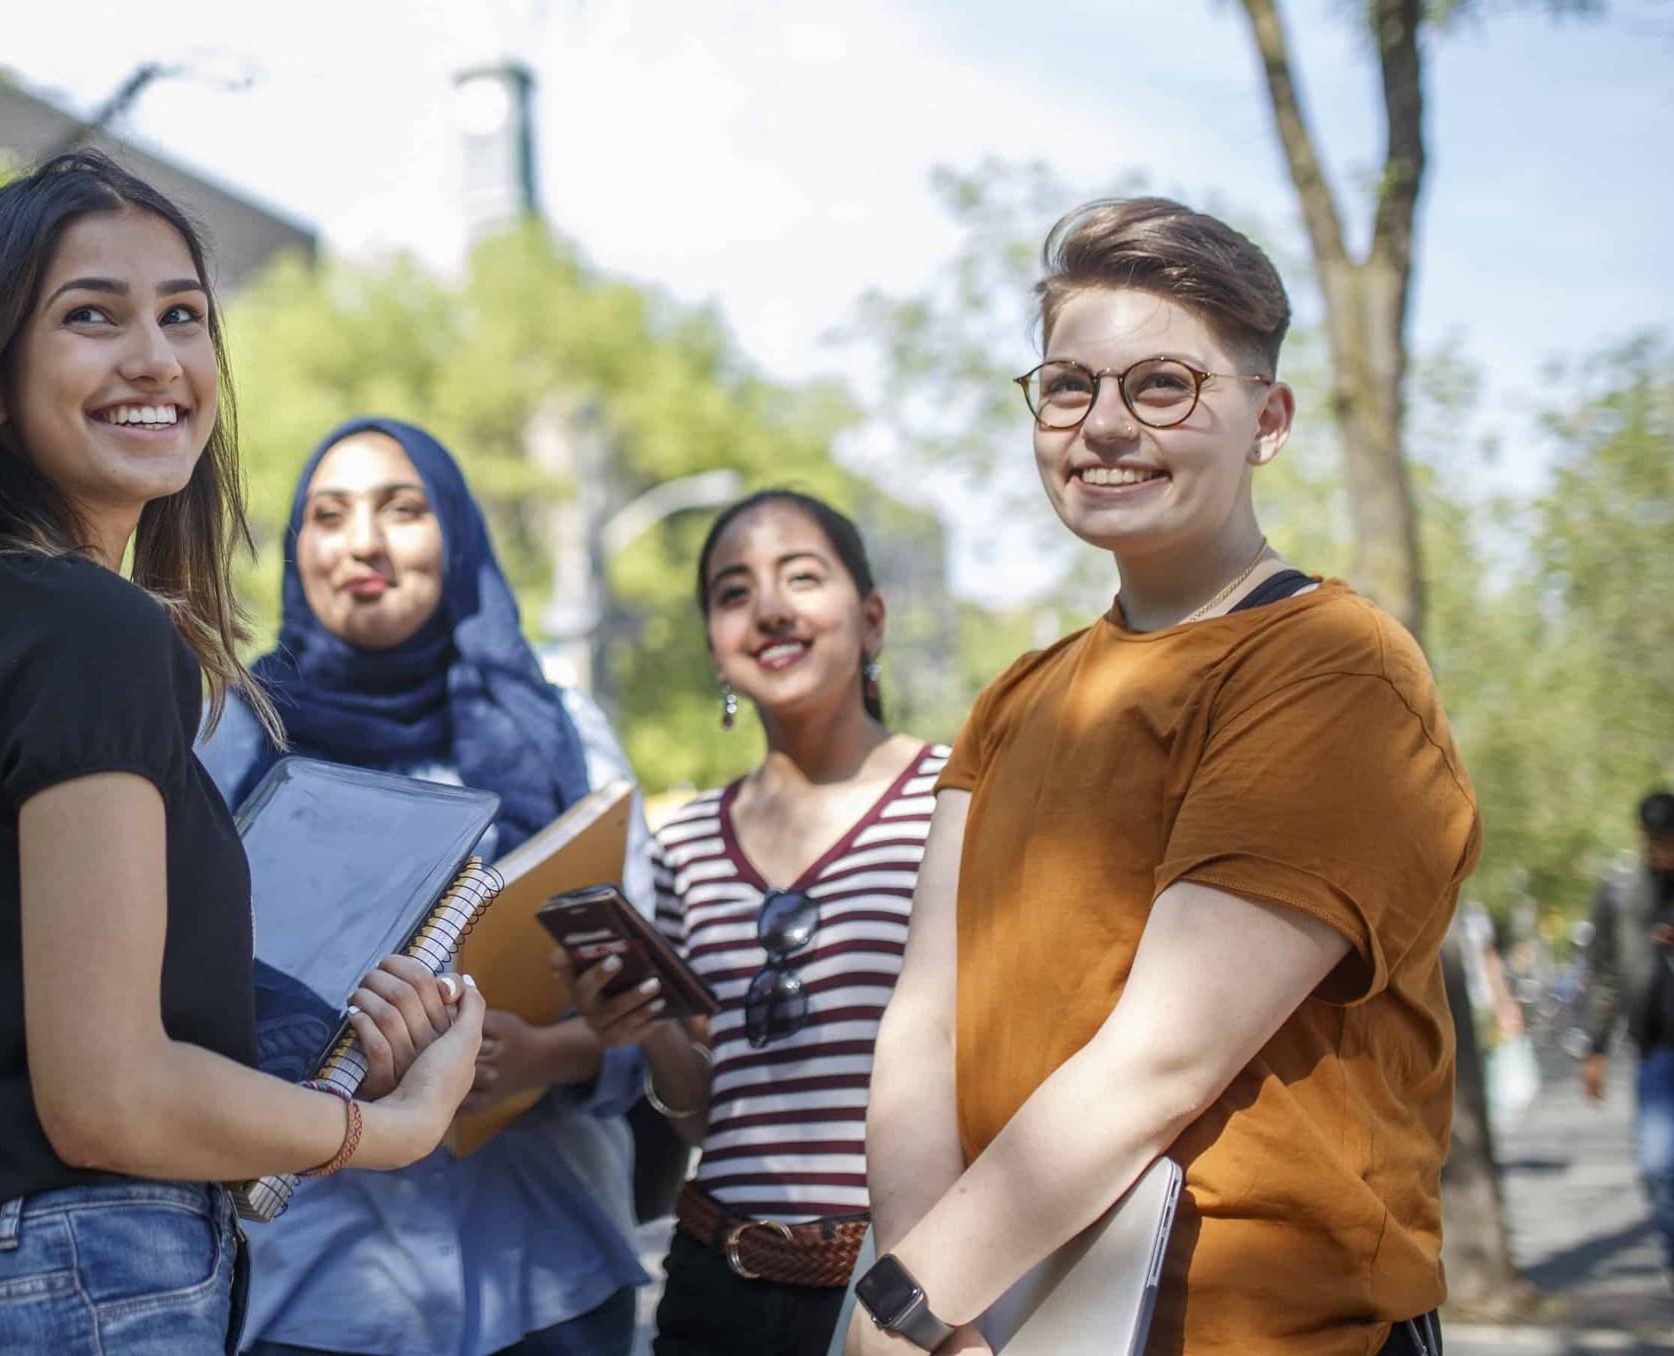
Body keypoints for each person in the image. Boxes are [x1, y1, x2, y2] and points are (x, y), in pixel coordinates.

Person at [0, 151, 485, 1356]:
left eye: (184, 317)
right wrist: (396, 1126)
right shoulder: (85, 626)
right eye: (91, 317)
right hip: (79, 1281)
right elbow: (109, 1094)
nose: (157, 359)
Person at [852, 199, 1478, 1356]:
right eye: (1068, 385)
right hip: (998, 1317)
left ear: (1268, 419)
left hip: (1269, 1332)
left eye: (1163, 386)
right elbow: (922, 1022)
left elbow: (1165, 1056)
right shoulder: (1017, 697)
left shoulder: (1334, 667)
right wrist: (925, 1309)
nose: (1103, 425)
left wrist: (906, 1304)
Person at [195, 417, 653, 1356]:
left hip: (546, 1271)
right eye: (329, 515)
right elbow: (173, 1014)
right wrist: (341, 1052)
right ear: (298, 549)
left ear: (456, 530)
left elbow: (646, 1005)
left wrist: (543, 1056)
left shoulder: (559, 727)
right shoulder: (233, 737)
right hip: (313, 1288)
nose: (363, 542)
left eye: (402, 510)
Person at [563, 489, 943, 1354]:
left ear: (871, 618)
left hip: (898, 1294)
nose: (769, 608)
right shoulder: (685, 841)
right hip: (712, 1293)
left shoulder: (956, 798)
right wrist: (649, 1028)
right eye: (734, 593)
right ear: (715, 649)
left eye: (801, 577)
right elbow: (702, 1113)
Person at [1573, 790, 1674, 1276]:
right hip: (1655, 1051)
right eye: (1653, 838)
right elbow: (1607, 976)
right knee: (1657, 1167)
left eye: (1669, 837)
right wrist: (1595, 1049)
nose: (1661, 847)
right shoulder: (1622, 893)